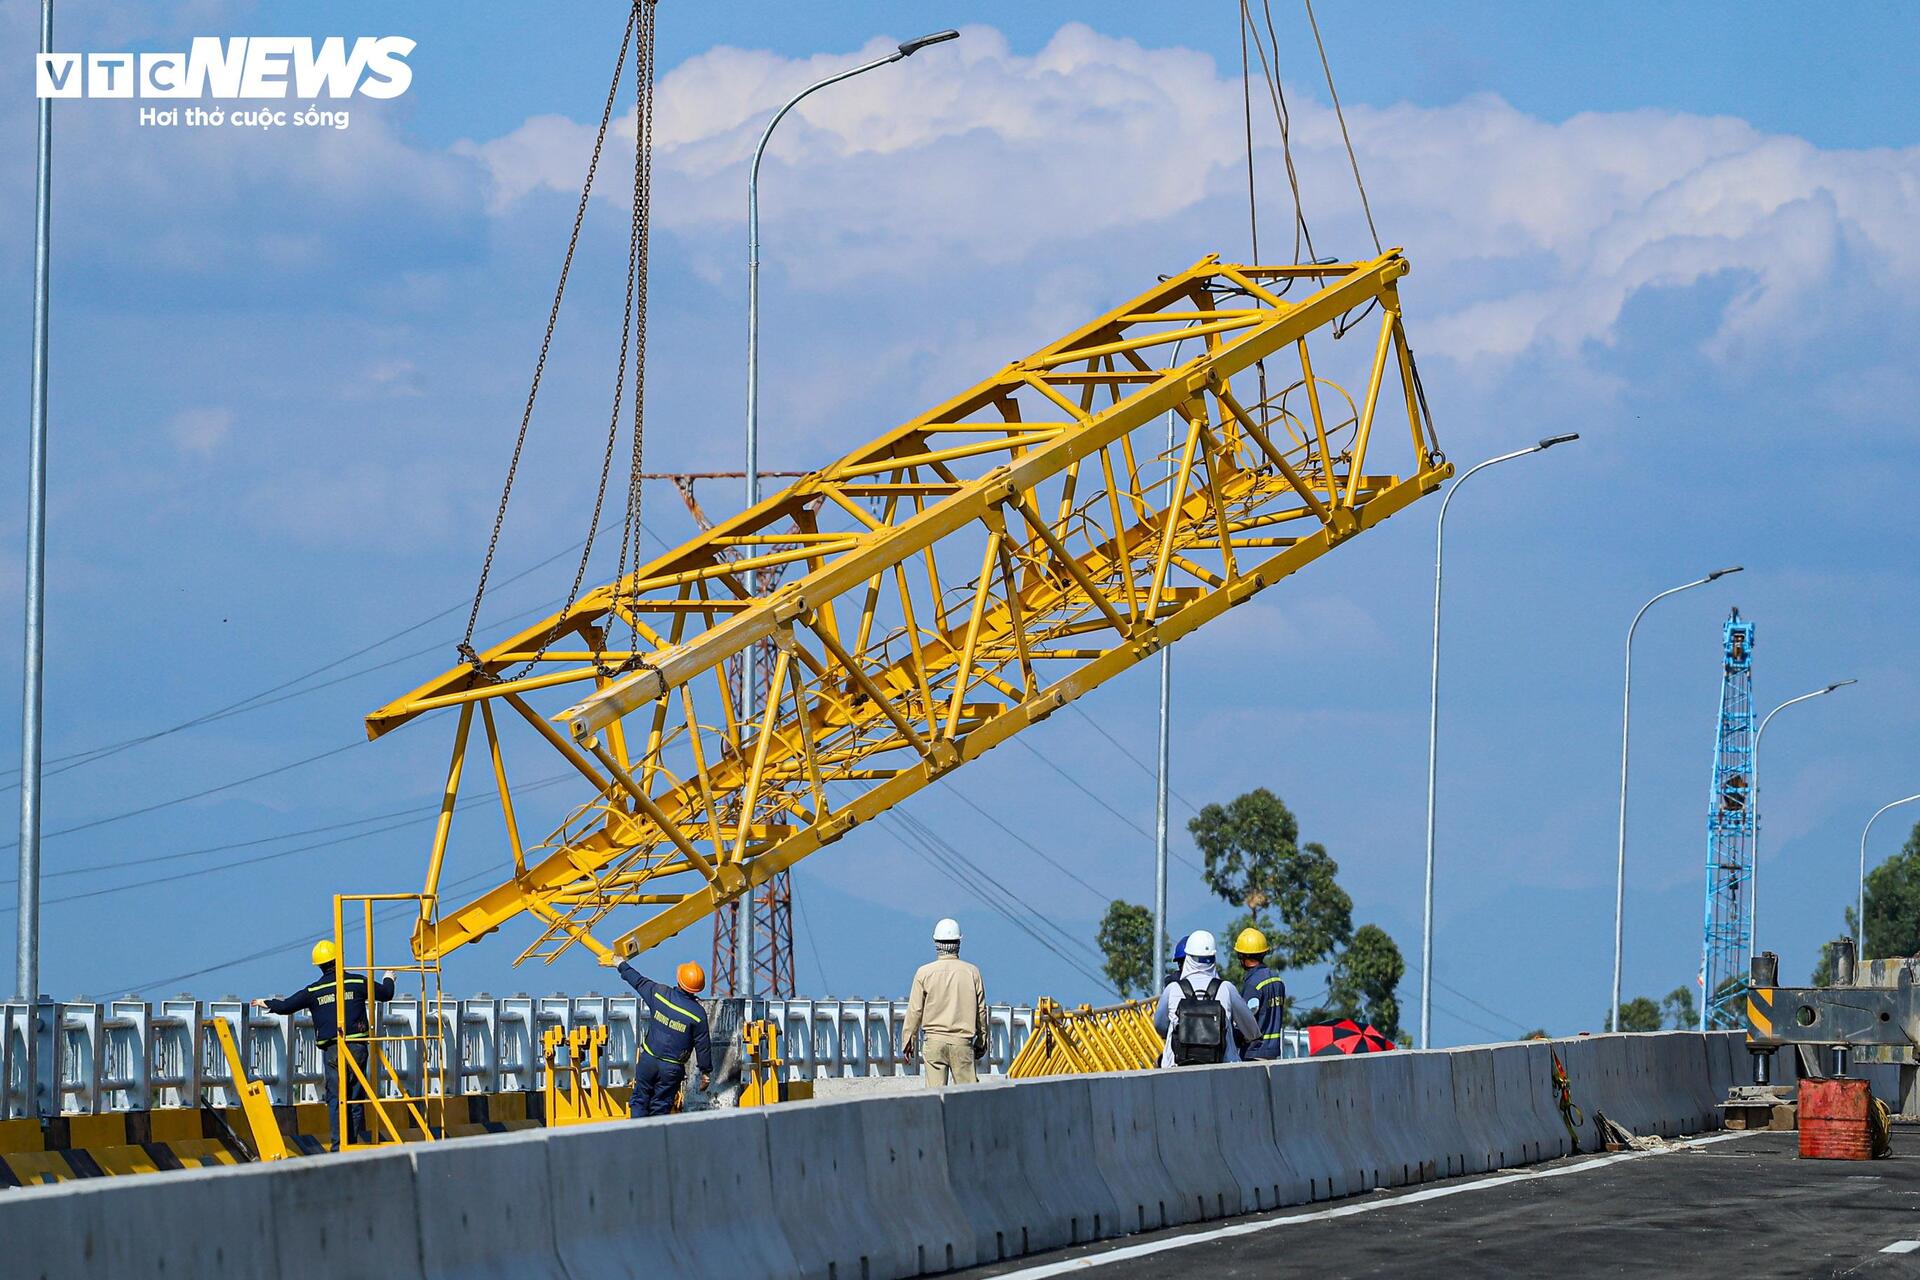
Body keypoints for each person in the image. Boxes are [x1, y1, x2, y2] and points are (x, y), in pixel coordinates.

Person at [254, 940, 394, 1151]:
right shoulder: (357, 982)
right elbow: (386, 994)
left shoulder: (315, 990)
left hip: (333, 1050)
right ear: (339, 958)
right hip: (357, 1047)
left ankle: (339, 1146)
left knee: (337, 1098)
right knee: (355, 1097)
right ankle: (352, 1143)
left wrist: (267, 1002)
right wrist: (388, 978)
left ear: (319, 965)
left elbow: (285, 1007)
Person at [615, 957, 712, 1118]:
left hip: (649, 1061)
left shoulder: (660, 994)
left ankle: (636, 1134)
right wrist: (705, 1072)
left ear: (679, 980)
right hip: (672, 1069)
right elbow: (703, 1046)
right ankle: (654, 1140)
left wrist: (620, 964)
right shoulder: (698, 1014)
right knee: (660, 1107)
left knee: (640, 1100)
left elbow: (638, 981)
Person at [901, 917, 988, 1087]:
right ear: (958, 942)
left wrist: (907, 1040)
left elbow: (915, 1010)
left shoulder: (924, 973)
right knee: (968, 1097)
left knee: (935, 1095)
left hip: (933, 1042)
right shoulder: (972, 972)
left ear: (936, 943)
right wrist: (981, 1040)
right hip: (962, 1042)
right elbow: (981, 1011)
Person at [1153, 930, 1258, 1067]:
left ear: (1188, 957)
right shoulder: (1226, 988)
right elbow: (1252, 1032)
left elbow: (1160, 1025)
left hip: (1176, 1067)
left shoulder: (1172, 989)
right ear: (1213, 958)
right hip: (1223, 1067)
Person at [1234, 927, 1289, 1060]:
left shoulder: (1254, 984)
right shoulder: (1276, 979)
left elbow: (1247, 1020)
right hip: (1273, 1051)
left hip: (1255, 1052)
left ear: (1243, 956)